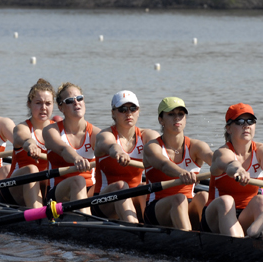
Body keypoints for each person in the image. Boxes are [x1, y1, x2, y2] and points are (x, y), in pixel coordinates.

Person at [202, 103, 263, 237]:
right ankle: (239, 246)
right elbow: (230, 163)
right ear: (229, 128)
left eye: (250, 121)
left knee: (262, 200)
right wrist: (239, 170)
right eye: (240, 121)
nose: (246, 125)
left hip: (246, 215)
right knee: (226, 200)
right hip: (216, 216)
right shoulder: (222, 152)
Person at [141, 97, 212, 231]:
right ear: (160, 120)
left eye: (181, 114)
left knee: (204, 195)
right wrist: (182, 173)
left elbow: (213, 159)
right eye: (171, 114)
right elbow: (164, 165)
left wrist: (231, 167)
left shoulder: (196, 146)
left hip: (188, 203)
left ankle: (214, 238)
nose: (177, 118)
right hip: (157, 208)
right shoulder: (152, 147)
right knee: (179, 199)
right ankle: (188, 240)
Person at [92, 91, 149, 223]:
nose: (128, 113)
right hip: (103, 202)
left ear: (138, 111)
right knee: (121, 186)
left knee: (145, 186)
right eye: (122, 109)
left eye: (132, 108)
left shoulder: (147, 135)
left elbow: (161, 150)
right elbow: (111, 145)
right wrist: (119, 153)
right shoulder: (105, 135)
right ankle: (135, 229)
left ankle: (152, 224)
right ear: (113, 113)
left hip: (133, 198)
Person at [42, 82, 100, 206]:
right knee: (78, 181)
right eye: (69, 101)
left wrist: (117, 152)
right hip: (58, 191)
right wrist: (77, 158)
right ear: (61, 107)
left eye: (79, 98)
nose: (76, 102)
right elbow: (63, 149)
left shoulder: (96, 133)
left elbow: (109, 146)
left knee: (120, 186)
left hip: (90, 190)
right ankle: (83, 223)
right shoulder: (51, 130)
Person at [6, 79, 56, 208]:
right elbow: (24, 137)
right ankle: (37, 215)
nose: (43, 108)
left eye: (48, 103)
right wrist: (31, 144)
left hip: (45, 185)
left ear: (53, 105)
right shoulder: (22, 127)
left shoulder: (58, 130)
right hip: (15, 189)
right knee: (32, 169)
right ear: (29, 104)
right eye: (38, 103)